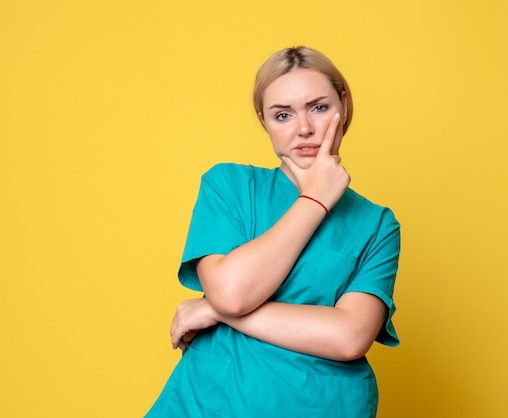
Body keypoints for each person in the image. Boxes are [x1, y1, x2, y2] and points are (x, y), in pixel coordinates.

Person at [145, 46, 401, 418]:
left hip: (322, 405)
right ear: (264, 121)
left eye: (319, 107)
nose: (304, 129)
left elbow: (349, 337)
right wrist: (315, 198)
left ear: (343, 105)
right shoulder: (229, 186)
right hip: (211, 403)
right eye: (283, 115)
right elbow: (232, 294)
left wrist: (215, 311)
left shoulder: (376, 224)